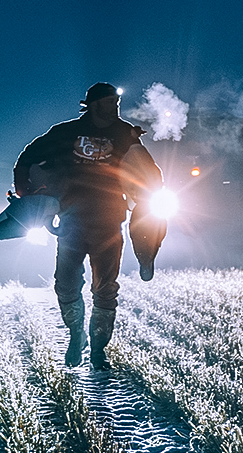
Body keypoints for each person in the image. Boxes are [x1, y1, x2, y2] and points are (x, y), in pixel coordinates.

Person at [13, 82, 163, 370]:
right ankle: (75, 334)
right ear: (94, 104)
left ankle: (97, 350)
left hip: (109, 223)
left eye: (116, 104)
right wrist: (26, 195)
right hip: (71, 221)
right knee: (66, 286)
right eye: (109, 103)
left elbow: (145, 166)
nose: (114, 108)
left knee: (105, 290)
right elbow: (28, 158)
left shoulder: (123, 135)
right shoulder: (65, 133)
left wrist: (153, 188)